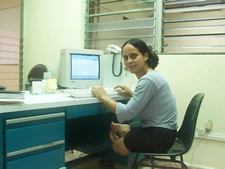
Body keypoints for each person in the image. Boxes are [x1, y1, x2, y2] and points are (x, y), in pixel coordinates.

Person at [91, 38, 178, 156]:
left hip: (160, 136)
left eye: (133, 56)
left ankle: (120, 142)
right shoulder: (152, 75)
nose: (129, 61)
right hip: (165, 132)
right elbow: (152, 100)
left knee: (117, 146)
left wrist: (103, 97)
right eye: (125, 57)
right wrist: (131, 93)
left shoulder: (148, 79)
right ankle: (123, 133)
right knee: (122, 129)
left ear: (145, 56)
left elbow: (127, 113)